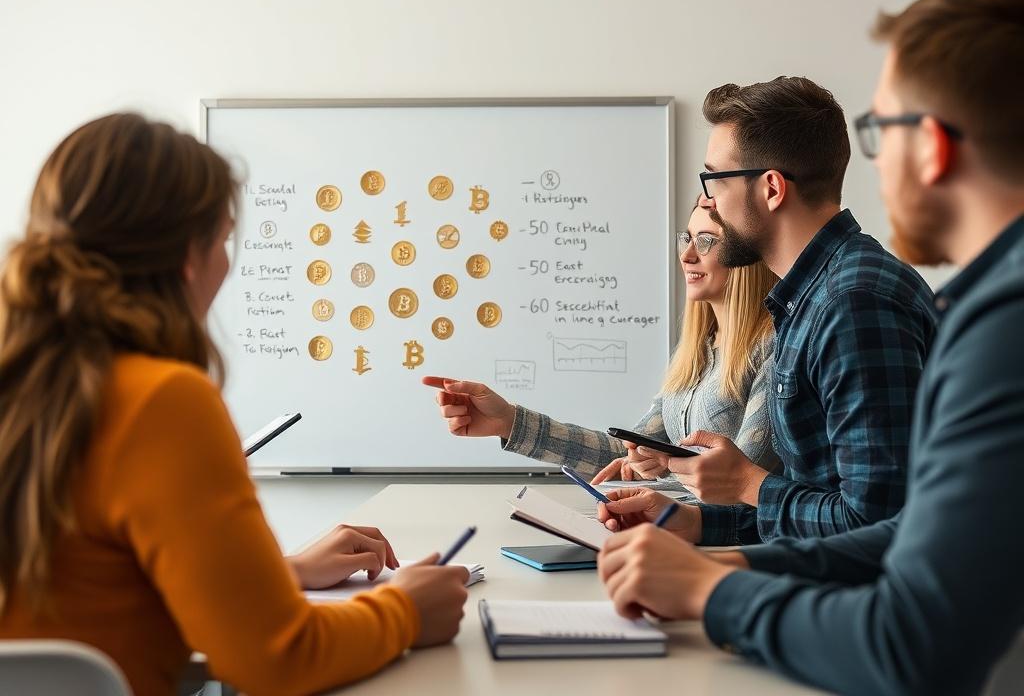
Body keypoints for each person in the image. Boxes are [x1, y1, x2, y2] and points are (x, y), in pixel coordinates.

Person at [596, 0, 1024, 696]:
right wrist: (723, 550)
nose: (875, 161)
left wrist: (711, 589)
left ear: (932, 148)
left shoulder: (875, 304)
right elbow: (909, 534)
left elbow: (903, 611)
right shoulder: (835, 299)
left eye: (881, 130)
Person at [0, 114, 469, 696]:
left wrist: (282, 574)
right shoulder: (161, 402)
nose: (227, 263)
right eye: (222, 239)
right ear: (186, 258)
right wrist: (404, 610)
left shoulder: (30, 387)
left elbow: (86, 586)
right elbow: (277, 659)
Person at [610, 75, 937, 545]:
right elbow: (819, 503)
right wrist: (697, 523)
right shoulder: (810, 298)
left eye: (715, 179)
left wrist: (746, 484)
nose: (708, 201)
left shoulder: (853, 306)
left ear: (771, 189)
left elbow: (876, 526)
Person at [423, 202, 778, 484]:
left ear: (744, 255)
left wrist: (667, 463)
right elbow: (624, 451)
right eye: (686, 238)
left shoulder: (772, 349)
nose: (686, 256)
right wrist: (510, 421)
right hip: (677, 536)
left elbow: (742, 481)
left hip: (728, 550)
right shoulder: (695, 353)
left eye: (706, 241)